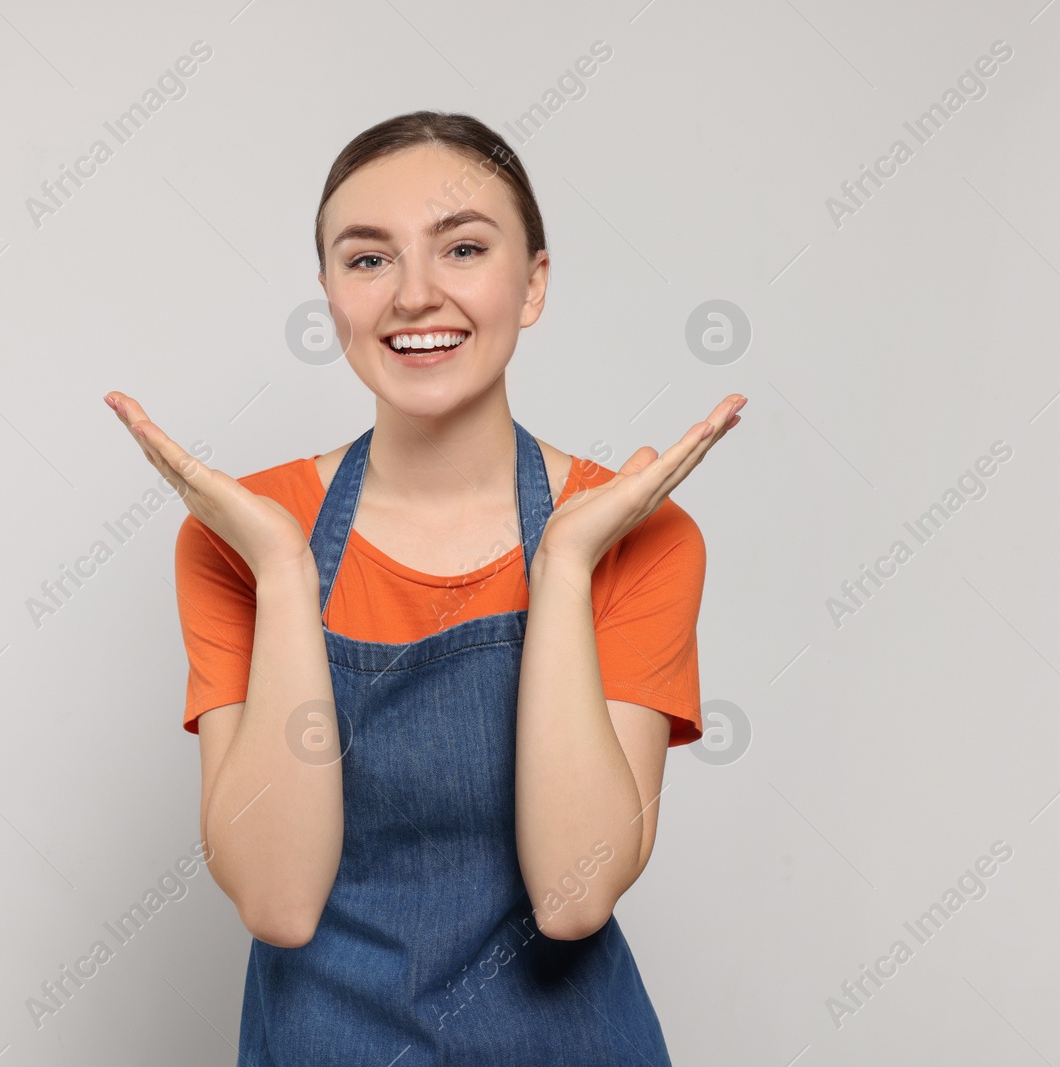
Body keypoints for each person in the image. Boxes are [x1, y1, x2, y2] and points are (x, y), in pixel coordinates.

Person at [105, 109, 744, 1066]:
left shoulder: (635, 537)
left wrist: (564, 568)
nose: (414, 294)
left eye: (463, 248)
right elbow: (278, 902)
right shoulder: (243, 538)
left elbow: (574, 897)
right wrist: (285, 576)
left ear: (531, 285)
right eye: (367, 260)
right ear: (331, 297)